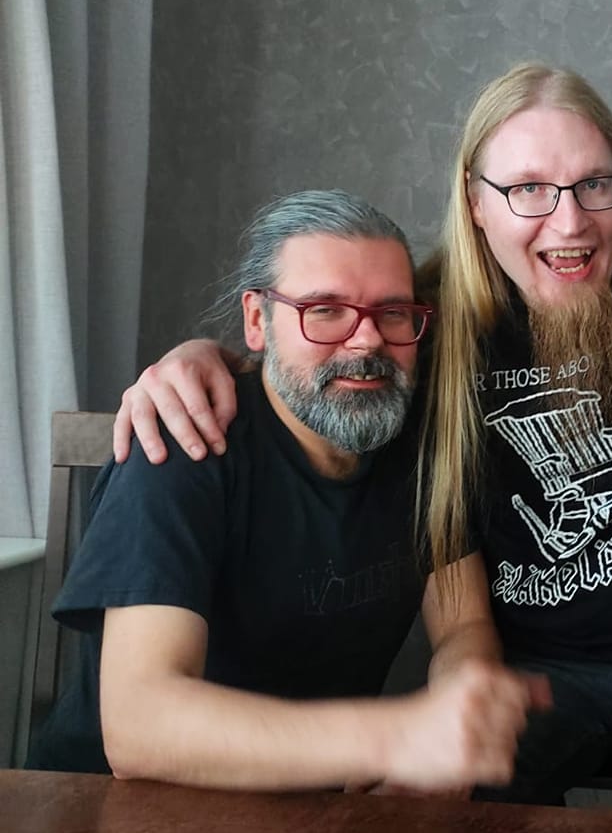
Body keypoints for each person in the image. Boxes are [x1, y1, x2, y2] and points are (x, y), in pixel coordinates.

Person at [103, 66, 612, 819]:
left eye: (594, 185)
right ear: (475, 201)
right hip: (537, 668)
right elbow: (323, 353)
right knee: (425, 808)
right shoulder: (426, 325)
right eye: (529, 190)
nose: (568, 221)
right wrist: (201, 358)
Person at [27, 190, 546, 792]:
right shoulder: (185, 441)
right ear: (257, 320)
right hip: (112, 816)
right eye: (324, 310)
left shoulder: (424, 441)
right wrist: (396, 739)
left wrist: (461, 719)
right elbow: (139, 727)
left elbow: (462, 625)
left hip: (316, 815)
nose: (367, 341)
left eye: (392, 313)